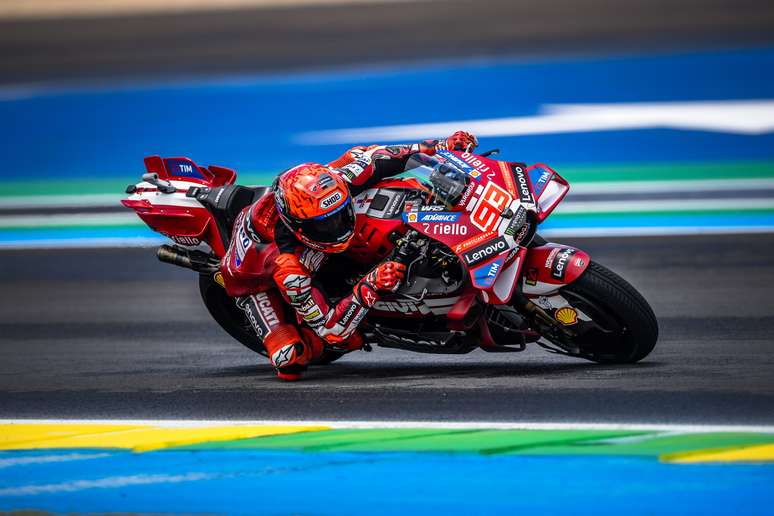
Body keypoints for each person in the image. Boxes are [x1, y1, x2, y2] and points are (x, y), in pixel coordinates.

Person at [220, 131, 478, 380]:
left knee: (363, 160)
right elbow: (331, 330)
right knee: (291, 357)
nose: (338, 227)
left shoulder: (339, 180)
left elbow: (384, 154)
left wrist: (443, 145)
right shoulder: (289, 268)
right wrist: (371, 284)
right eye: (325, 225)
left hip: (304, 217)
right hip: (253, 277)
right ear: (300, 228)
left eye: (341, 213)